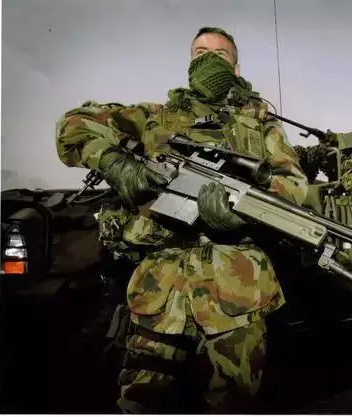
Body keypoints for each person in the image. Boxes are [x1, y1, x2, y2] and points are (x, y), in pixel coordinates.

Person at [55, 26, 309, 413]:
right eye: (199, 53)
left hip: (237, 286)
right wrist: (116, 163)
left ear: (236, 68)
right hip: (160, 284)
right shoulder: (155, 117)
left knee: (234, 402)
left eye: (219, 55)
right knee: (141, 400)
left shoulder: (261, 126)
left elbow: (294, 186)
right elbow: (73, 124)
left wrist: (239, 214)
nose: (207, 60)